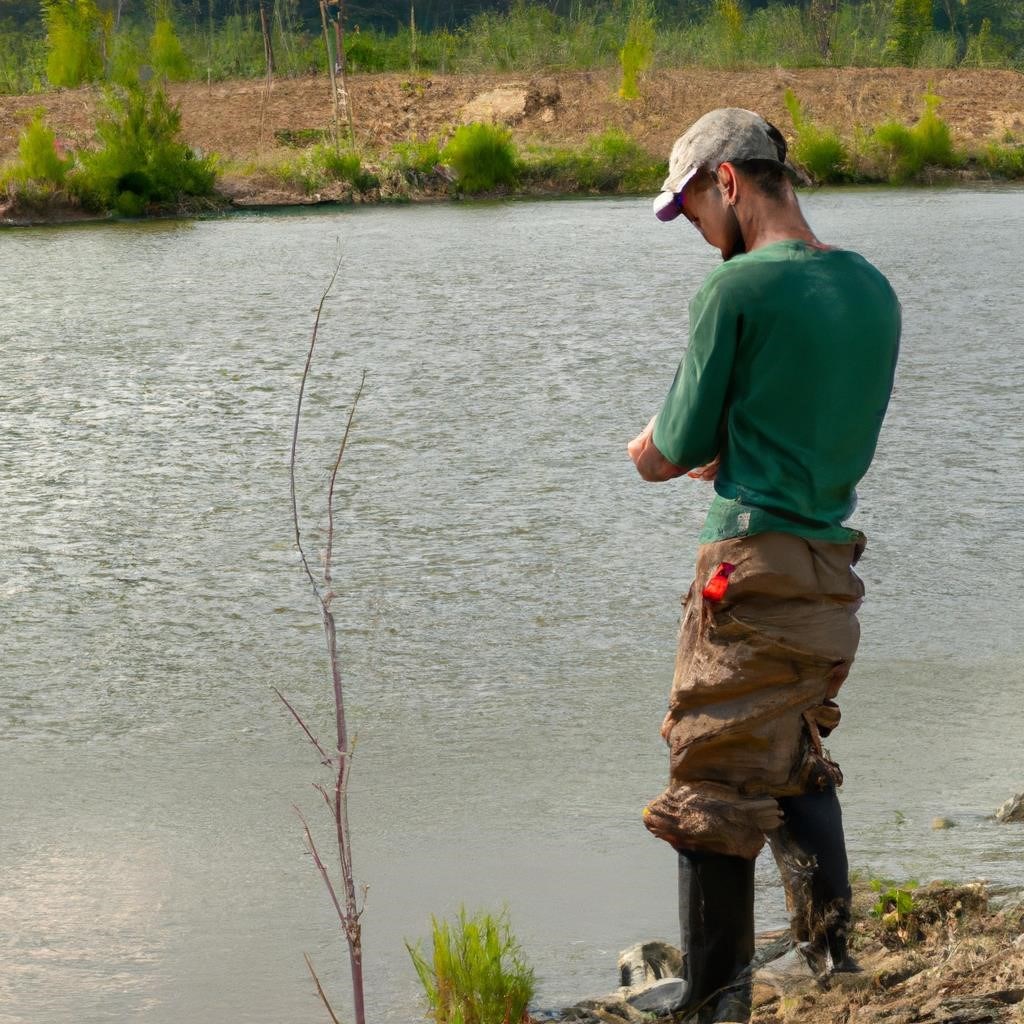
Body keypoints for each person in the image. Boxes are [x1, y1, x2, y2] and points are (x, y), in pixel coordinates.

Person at [626, 108, 901, 1023]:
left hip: (748, 560)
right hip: (829, 559)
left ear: (730, 183)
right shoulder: (871, 288)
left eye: (694, 209)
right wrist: (738, 445)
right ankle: (828, 949)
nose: (697, 231)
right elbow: (817, 423)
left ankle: (715, 1001)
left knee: (712, 768)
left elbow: (669, 447)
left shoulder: (736, 289)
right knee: (792, 746)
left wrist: (652, 452)